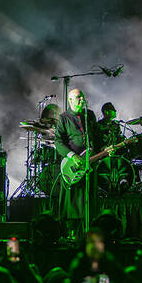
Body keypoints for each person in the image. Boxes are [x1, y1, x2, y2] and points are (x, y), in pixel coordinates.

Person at [54, 89, 111, 237]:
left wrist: (103, 147)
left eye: (82, 97)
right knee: (73, 201)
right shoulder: (64, 118)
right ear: (70, 101)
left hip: (90, 164)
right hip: (74, 166)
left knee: (90, 197)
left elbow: (97, 135)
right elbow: (58, 141)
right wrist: (72, 156)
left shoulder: (89, 115)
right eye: (78, 98)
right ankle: (72, 234)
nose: (81, 100)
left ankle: (90, 231)